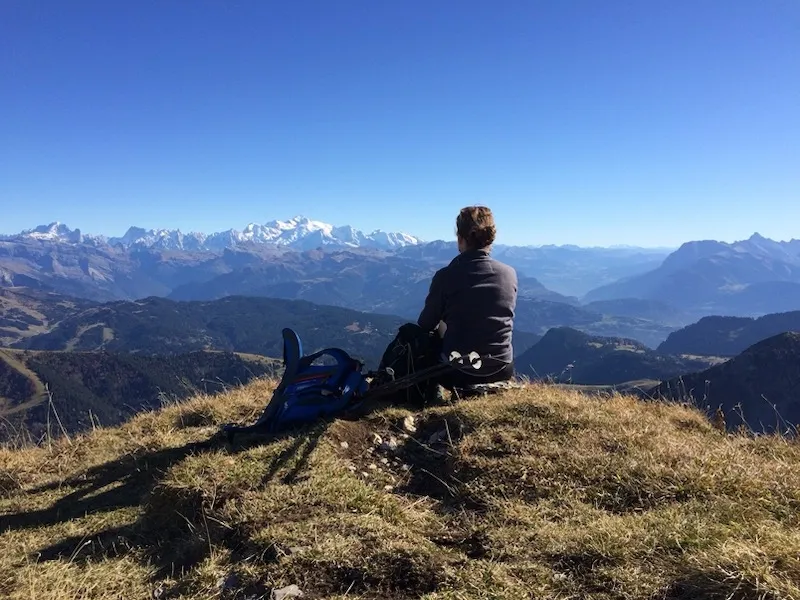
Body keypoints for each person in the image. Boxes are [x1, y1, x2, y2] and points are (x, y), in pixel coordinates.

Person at [377, 205, 518, 403]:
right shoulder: (509, 274)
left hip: (459, 372)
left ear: (460, 238)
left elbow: (425, 324)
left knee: (412, 336)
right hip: (503, 368)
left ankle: (424, 395)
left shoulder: (446, 276)